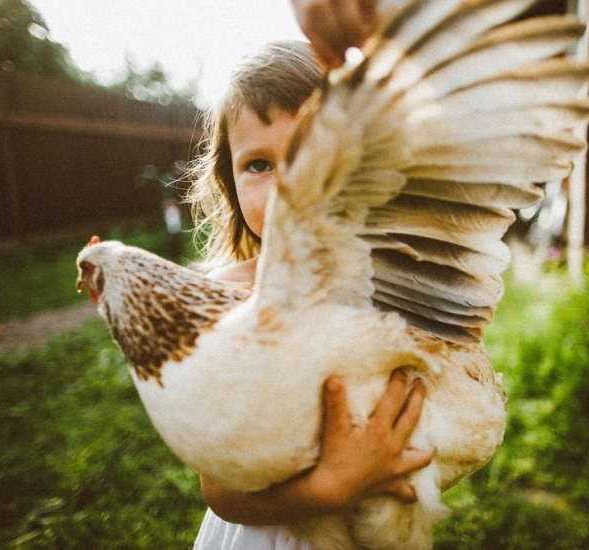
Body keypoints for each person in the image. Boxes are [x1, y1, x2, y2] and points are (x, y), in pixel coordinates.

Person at [187, 40, 433, 549]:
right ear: (230, 186)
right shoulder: (226, 303)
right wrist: (329, 488)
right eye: (259, 165)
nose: (289, 186)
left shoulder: (387, 283)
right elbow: (220, 489)